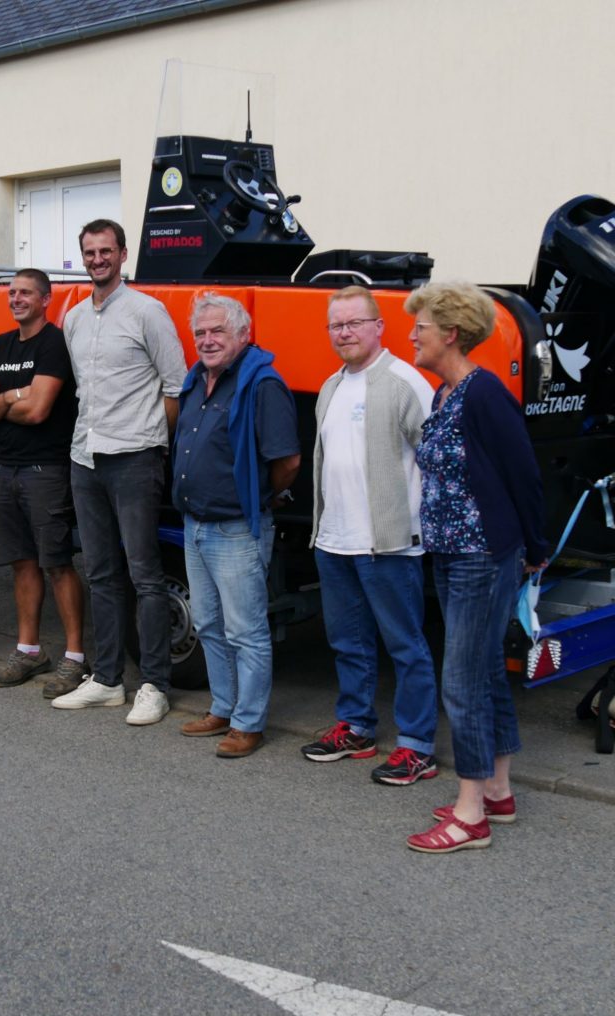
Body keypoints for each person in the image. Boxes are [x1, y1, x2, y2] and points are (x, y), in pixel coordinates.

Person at [403, 281, 547, 853]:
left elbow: (525, 476)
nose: (412, 334)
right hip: (454, 552)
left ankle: (469, 817)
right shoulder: (446, 393)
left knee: (460, 682)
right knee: (484, 671)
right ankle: (497, 791)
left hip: (484, 554)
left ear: (451, 334)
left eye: (421, 326)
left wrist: (537, 548)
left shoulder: (484, 394)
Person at [51, 218, 187, 726]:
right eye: (89, 252)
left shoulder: (148, 312)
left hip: (134, 456)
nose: (97, 259)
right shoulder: (74, 319)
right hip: (85, 456)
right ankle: (108, 681)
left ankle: (154, 684)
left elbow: (175, 389)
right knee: (102, 573)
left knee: (145, 575)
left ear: (122, 255)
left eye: (106, 251)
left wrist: (153, 446)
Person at [302, 286, 440, 784]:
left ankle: (416, 744)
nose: (345, 333)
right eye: (336, 325)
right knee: (348, 642)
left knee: (406, 646)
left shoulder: (404, 383)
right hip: (335, 541)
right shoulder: (330, 387)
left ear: (379, 327)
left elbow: (437, 460)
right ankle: (357, 726)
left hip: (389, 544)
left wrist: (422, 526)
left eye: (354, 323)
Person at [174, 294, 300, 757]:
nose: (207, 340)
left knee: (245, 631)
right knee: (207, 622)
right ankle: (222, 708)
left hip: (236, 529)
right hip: (196, 524)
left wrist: (258, 496)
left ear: (243, 334)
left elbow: (287, 460)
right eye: (200, 333)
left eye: (217, 331)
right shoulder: (197, 380)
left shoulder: (262, 384)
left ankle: (249, 723)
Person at [0, 269, 87, 697]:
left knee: (56, 562)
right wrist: (14, 396)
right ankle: (29, 650)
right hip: (6, 470)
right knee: (20, 561)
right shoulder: (1, 345)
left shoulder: (55, 343)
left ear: (45, 299)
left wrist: (5, 398)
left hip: (46, 470)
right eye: (12, 292)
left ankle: (75, 657)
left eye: (26, 293)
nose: (17, 299)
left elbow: (39, 411)